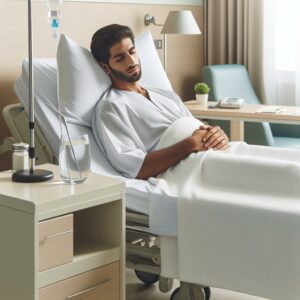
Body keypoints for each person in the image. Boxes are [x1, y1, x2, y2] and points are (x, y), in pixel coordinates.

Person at [91, 24, 229, 180]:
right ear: (105, 67)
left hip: (218, 152)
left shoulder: (166, 95)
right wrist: (190, 144)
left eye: (132, 51)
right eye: (120, 58)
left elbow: (199, 128)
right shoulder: (111, 107)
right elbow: (136, 169)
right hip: (191, 167)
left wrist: (217, 135)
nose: (131, 61)